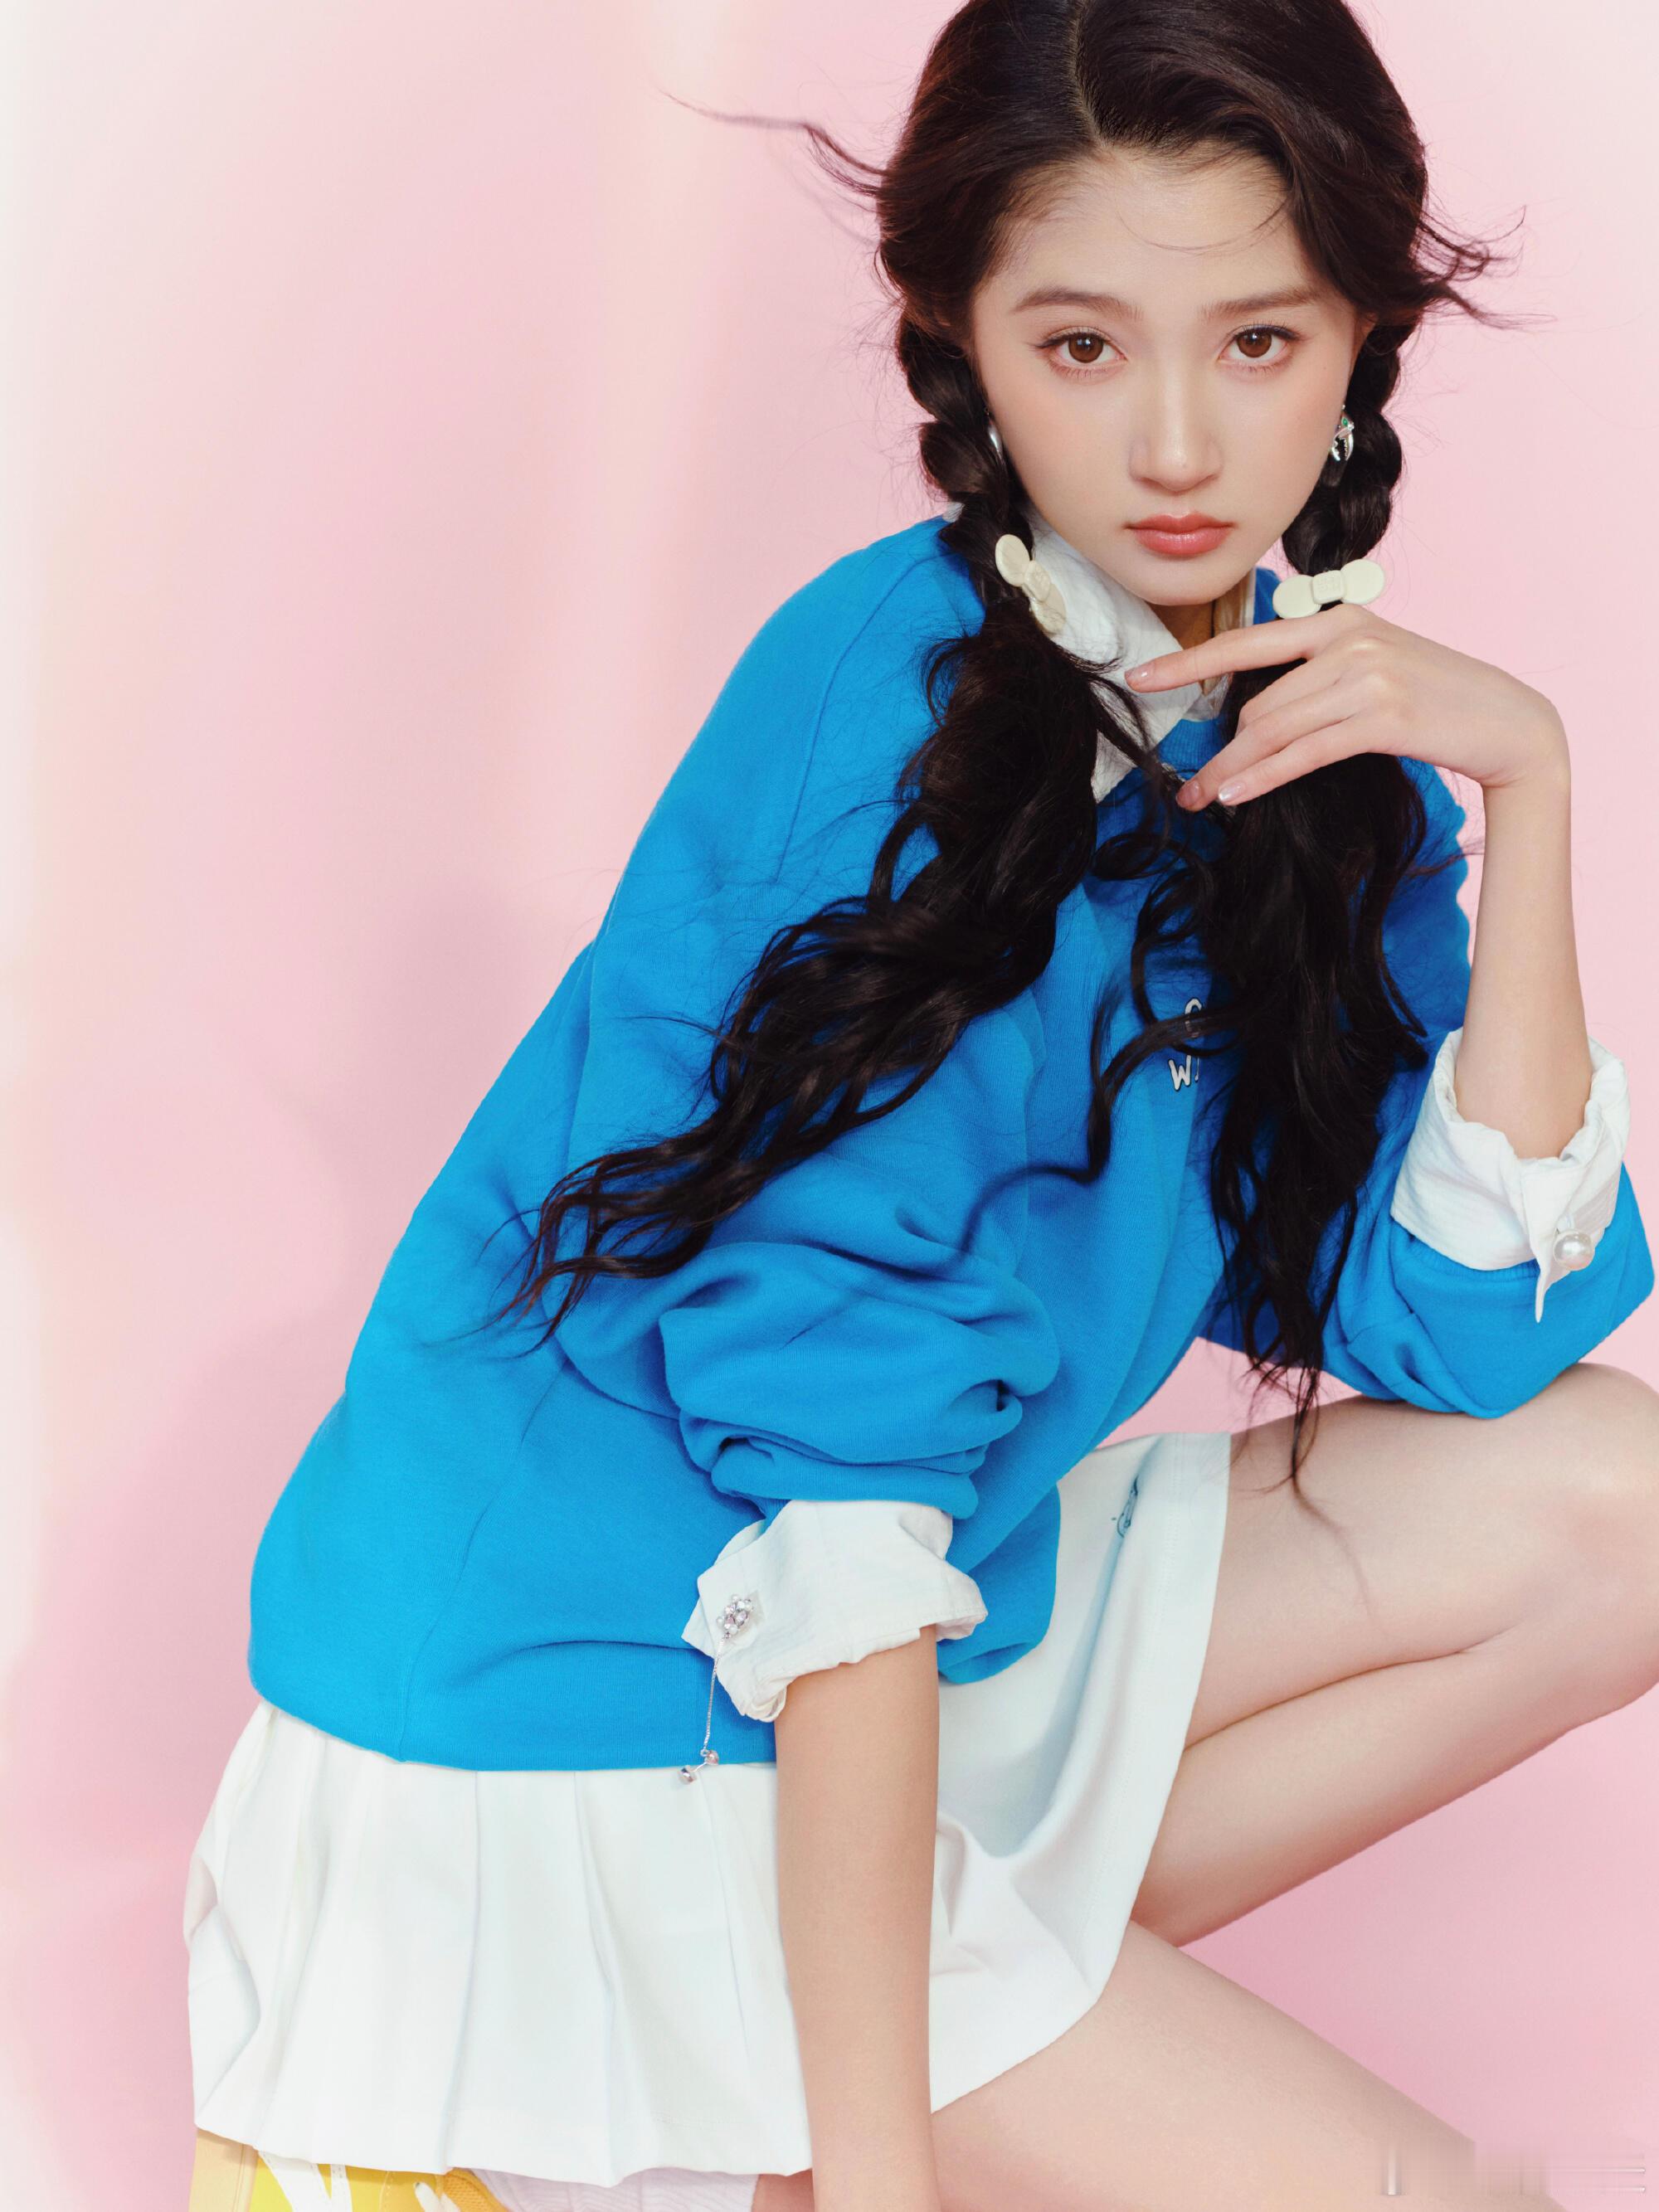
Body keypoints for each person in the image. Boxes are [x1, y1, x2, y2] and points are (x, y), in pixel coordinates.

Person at [182, 2, 1659, 2209]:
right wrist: (882, 2181)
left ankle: (968, 2005)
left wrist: (1528, 785)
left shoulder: (1297, 724)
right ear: (966, 342)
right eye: (1082, 348)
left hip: (893, 1607)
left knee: (1619, 1495)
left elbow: (1465, 1340)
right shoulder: (894, 723)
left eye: (1258, 342)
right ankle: (846, 2085)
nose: (1177, 443)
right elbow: (838, 1481)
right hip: (581, 1702)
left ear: (1364, 338)